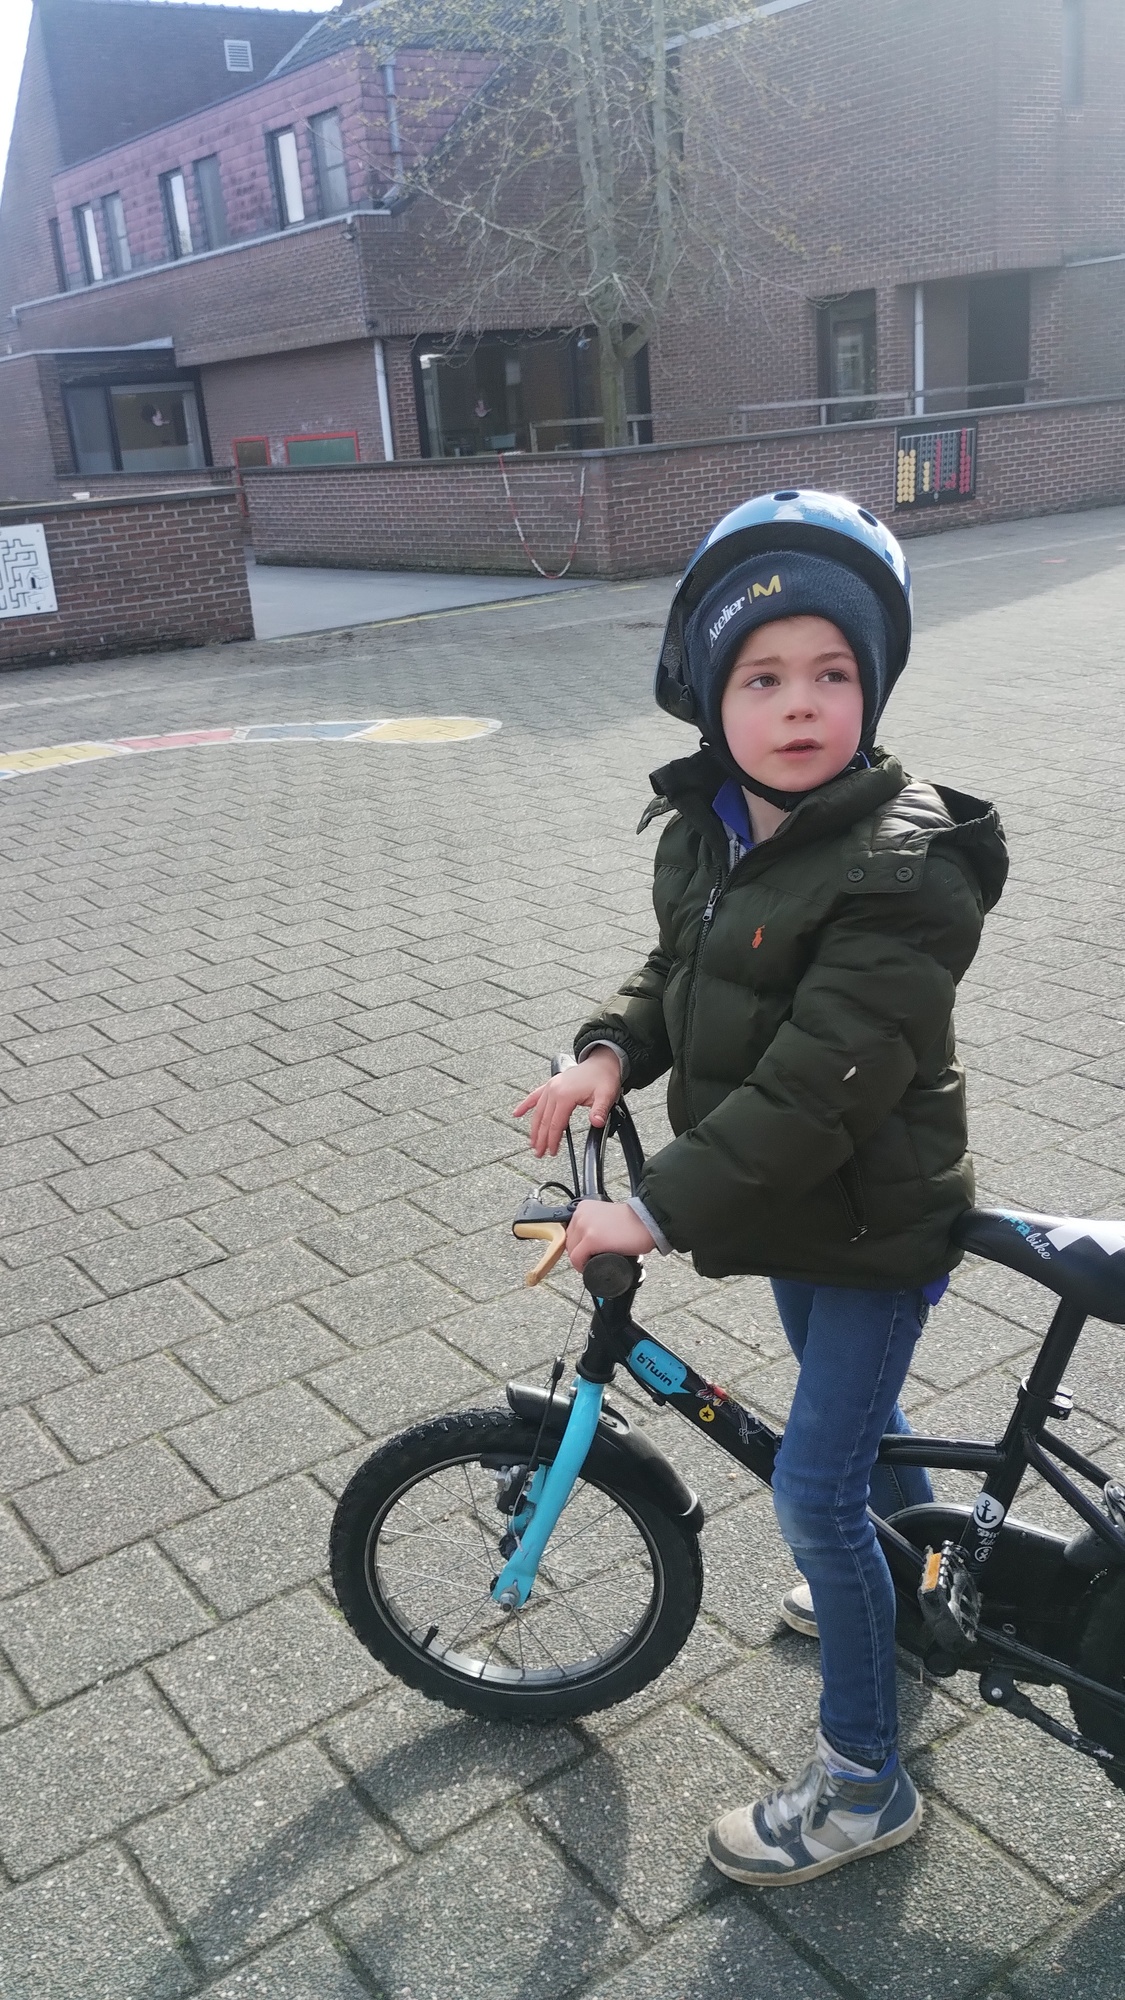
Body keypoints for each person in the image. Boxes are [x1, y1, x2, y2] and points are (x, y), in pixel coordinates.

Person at [514, 489, 1008, 1886]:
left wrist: (652, 1209)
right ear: (709, 702)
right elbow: (683, 972)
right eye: (762, 676)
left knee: (813, 1494)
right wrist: (610, 1051)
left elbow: (815, 1088)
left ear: (873, 689)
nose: (800, 704)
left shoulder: (907, 867)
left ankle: (861, 1785)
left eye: (832, 673)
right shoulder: (715, 829)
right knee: (859, 1444)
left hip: (870, 1219)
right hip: (797, 1219)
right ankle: (912, 1580)